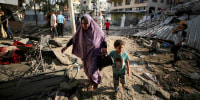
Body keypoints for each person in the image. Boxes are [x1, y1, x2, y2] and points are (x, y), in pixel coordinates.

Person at [61, 14, 107, 91]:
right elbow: (73, 39)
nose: (84, 25)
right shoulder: (80, 31)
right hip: (85, 55)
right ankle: (93, 79)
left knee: (92, 71)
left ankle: (94, 83)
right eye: (82, 23)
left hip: (94, 54)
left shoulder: (96, 30)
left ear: (90, 22)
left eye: (86, 23)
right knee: (86, 70)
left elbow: (103, 38)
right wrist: (66, 46)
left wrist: (104, 47)